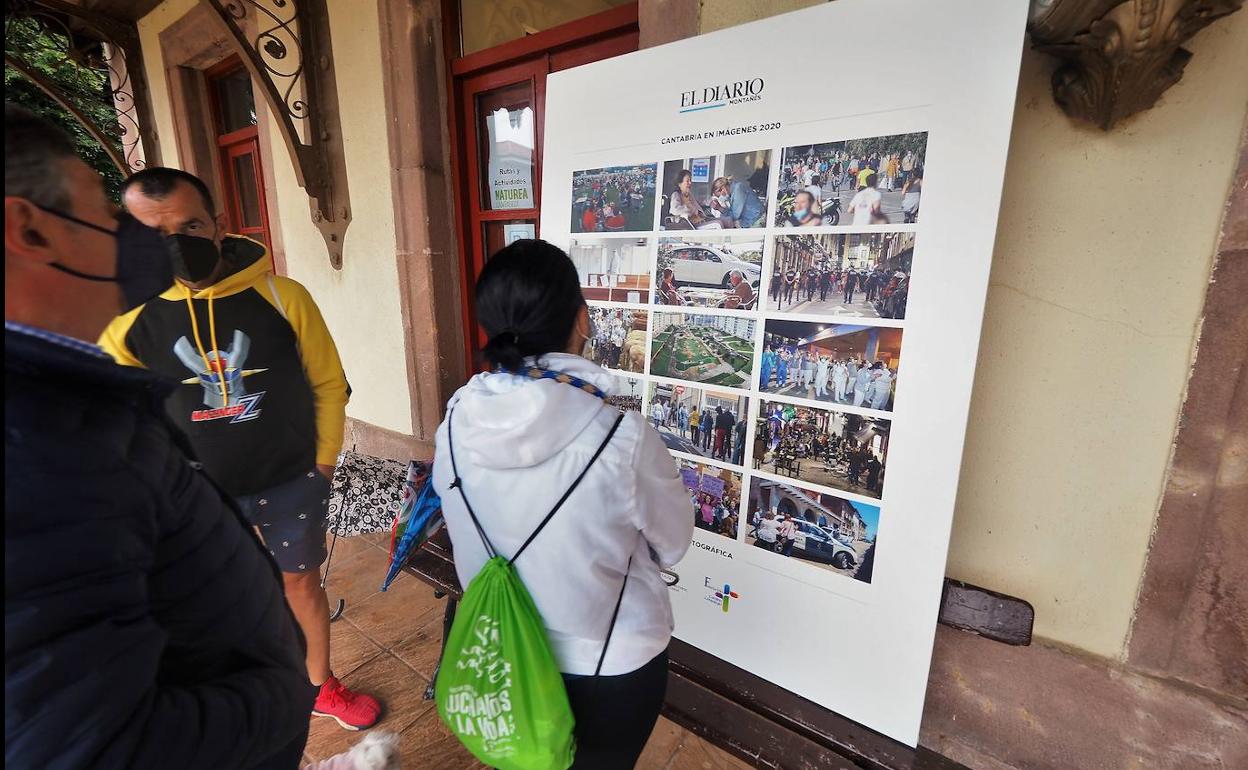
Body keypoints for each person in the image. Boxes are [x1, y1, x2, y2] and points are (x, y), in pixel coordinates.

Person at [5, 104, 314, 768]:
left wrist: (318, 459)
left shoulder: (59, 404)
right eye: (106, 217)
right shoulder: (33, 450)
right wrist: (281, 697)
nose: (136, 247)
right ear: (29, 230)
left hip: (287, 485)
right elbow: (96, 744)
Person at [98, 167, 381, 730]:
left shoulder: (281, 296)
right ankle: (240, 694)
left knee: (299, 582)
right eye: (154, 235)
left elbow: (328, 382)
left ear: (220, 226)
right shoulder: (128, 325)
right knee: (211, 597)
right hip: (194, 498)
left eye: (191, 225)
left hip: (290, 481)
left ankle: (318, 685)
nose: (177, 245)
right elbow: (117, 417)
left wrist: (321, 467)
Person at [432, 238, 692, 769]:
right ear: (583, 319)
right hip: (610, 665)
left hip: (499, 650)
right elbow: (675, 542)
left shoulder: (456, 420)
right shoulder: (622, 432)